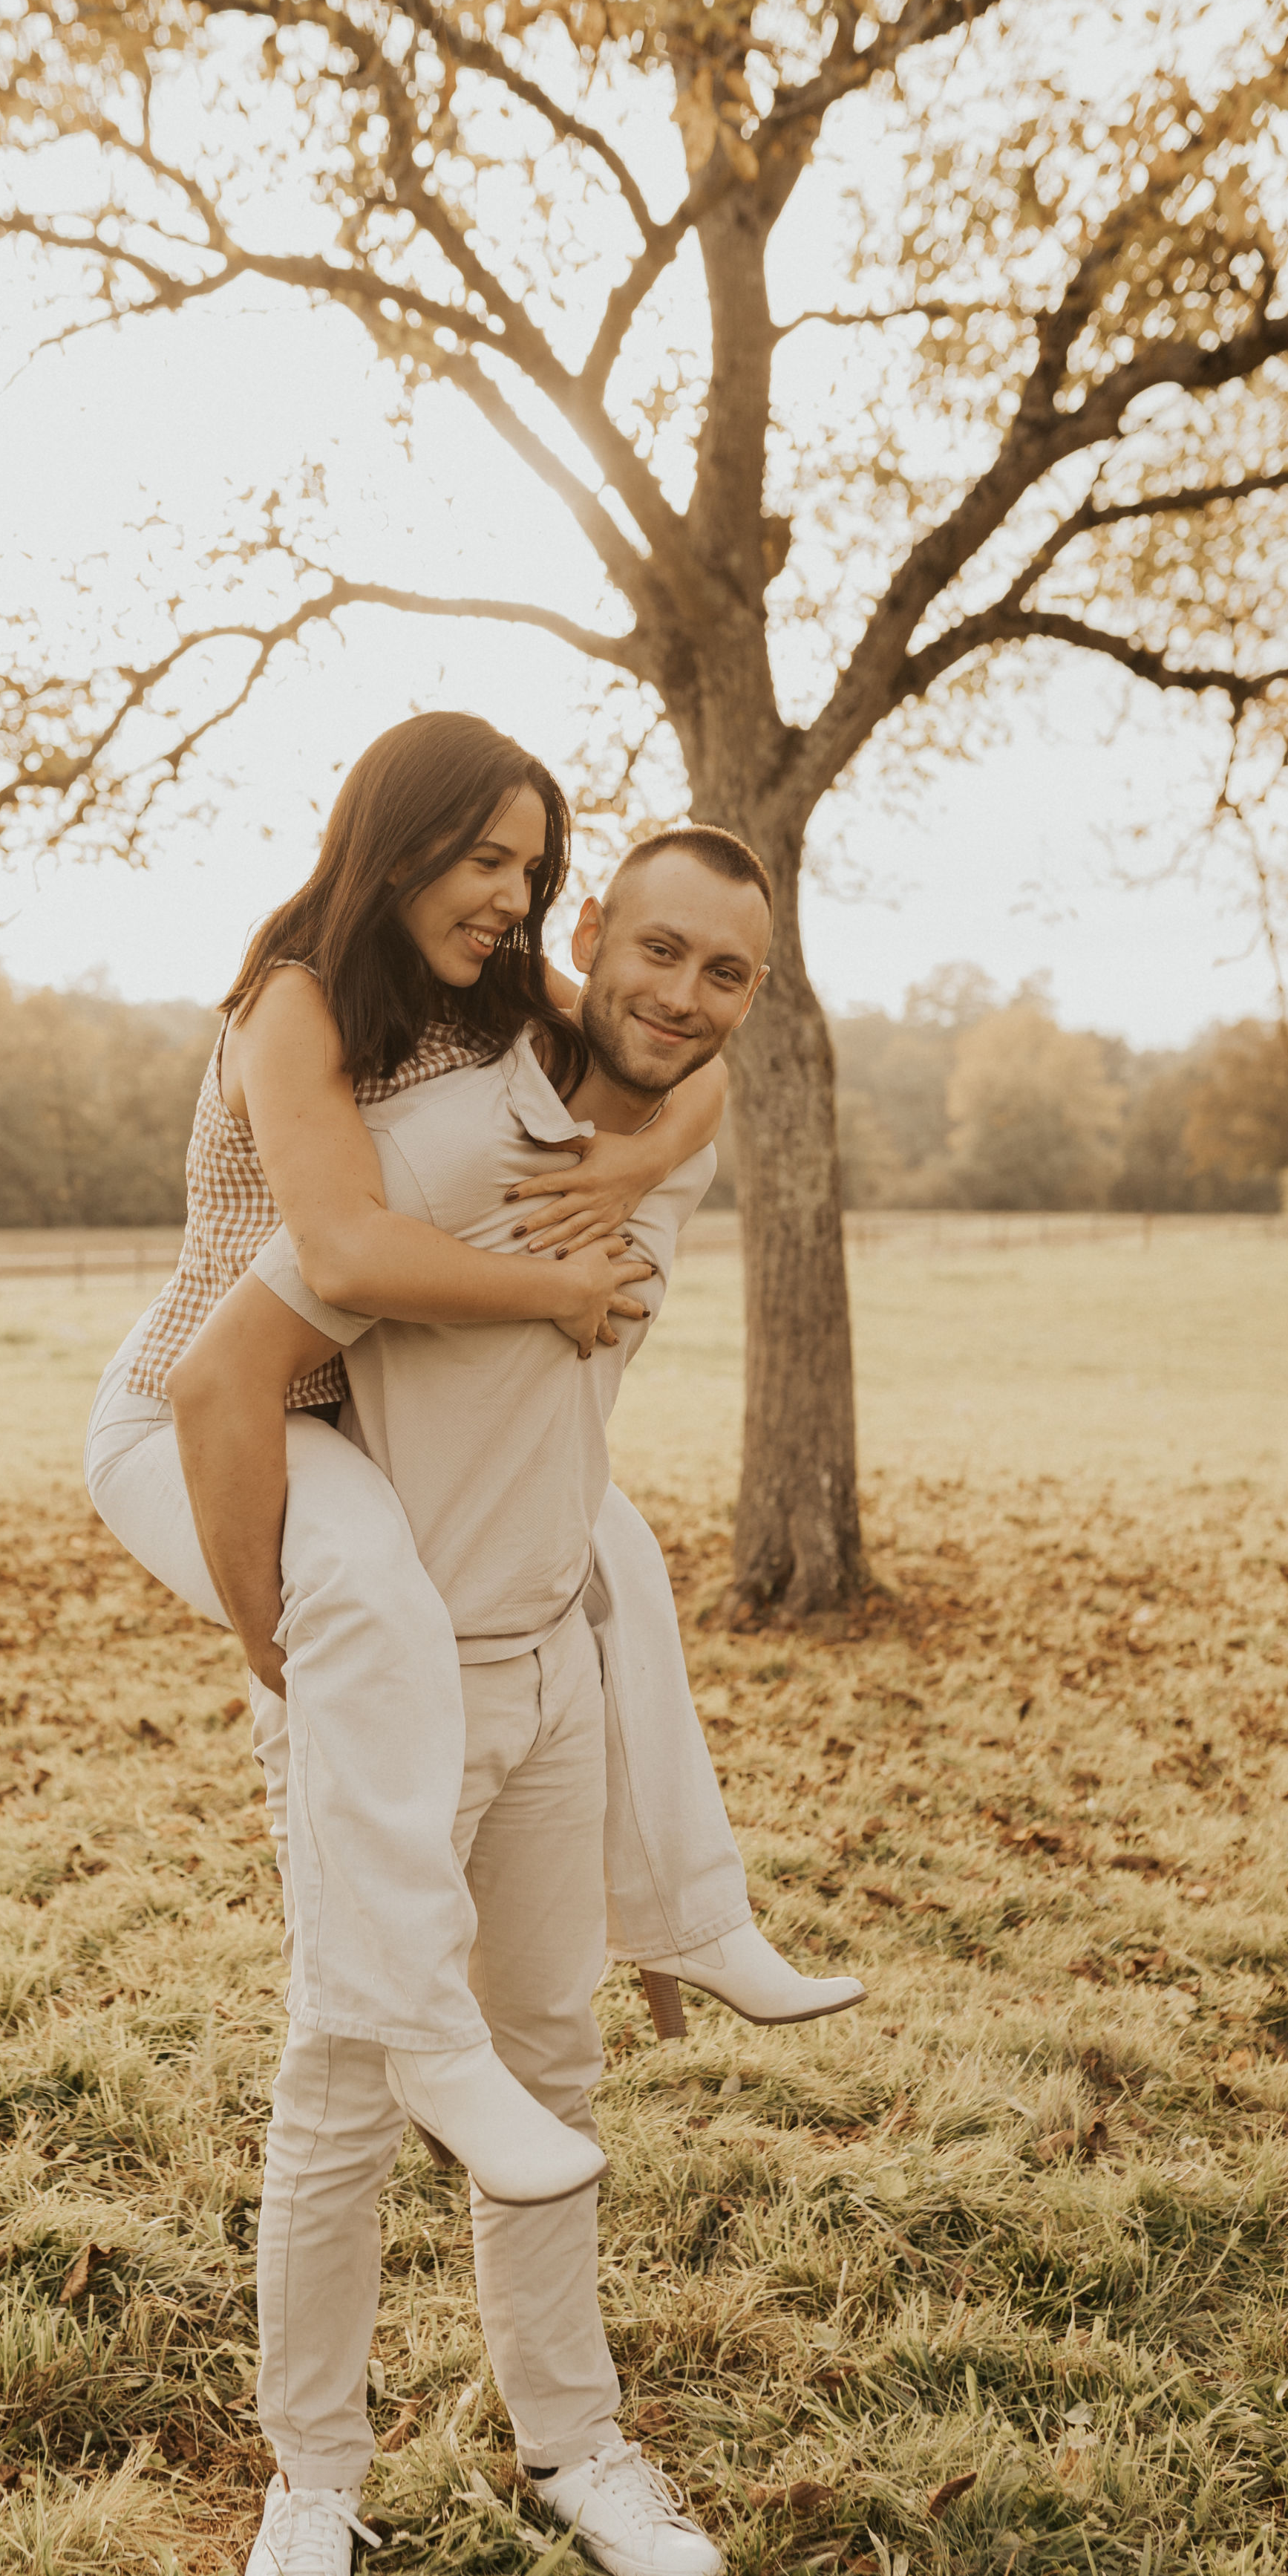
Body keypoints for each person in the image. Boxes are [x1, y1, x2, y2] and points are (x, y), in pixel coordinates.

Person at [82, 716, 858, 2208]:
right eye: (485, 859)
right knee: (368, 1594)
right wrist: (554, 1288)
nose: (512, 897)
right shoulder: (293, 1002)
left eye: (532, 870)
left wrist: (636, 1162)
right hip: (200, 1410)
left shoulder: (488, 981)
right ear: (396, 848)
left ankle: (695, 1913)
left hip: (333, 1411)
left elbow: (674, 1048)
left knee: (611, 1551)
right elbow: (341, 1250)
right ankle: (427, 2031)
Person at [173, 831, 793, 2576]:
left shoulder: (661, 1129)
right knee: (346, 2088)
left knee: (550, 2065)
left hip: (548, 1661)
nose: (681, 997)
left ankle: (571, 2443)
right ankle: (312, 2482)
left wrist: (647, 1146)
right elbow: (228, 1369)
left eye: (727, 974)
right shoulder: (439, 1146)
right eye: (653, 951)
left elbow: (684, 1084)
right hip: (389, 1688)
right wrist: (273, 1645)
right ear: (584, 935)